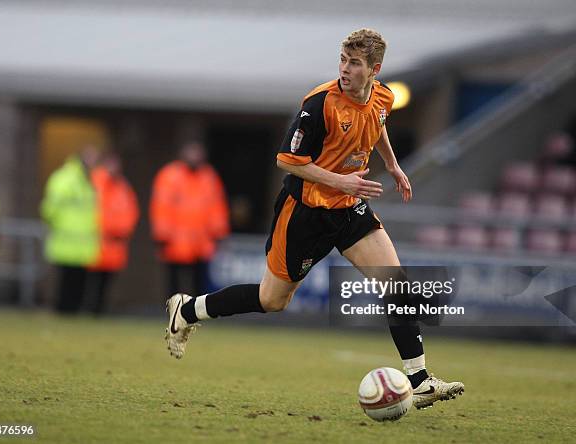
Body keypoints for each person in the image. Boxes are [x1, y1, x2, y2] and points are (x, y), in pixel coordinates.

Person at [164, 29, 464, 409]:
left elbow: (379, 121)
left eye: (354, 63)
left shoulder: (384, 95)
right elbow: (287, 161)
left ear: (375, 69)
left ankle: (418, 380)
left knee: (395, 283)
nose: (345, 69)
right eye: (343, 59)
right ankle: (186, 309)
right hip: (305, 213)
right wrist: (341, 180)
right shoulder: (320, 103)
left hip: (349, 209)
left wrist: (392, 164)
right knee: (271, 300)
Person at [150, 141, 229, 297]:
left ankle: (195, 313)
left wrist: (219, 232)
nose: (194, 157)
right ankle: (173, 312)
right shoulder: (170, 175)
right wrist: (162, 234)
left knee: (199, 283)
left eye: (197, 153)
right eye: (191, 153)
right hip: (175, 240)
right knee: (174, 282)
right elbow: (161, 207)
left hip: (201, 241)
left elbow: (217, 207)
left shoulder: (209, 177)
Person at [41, 146, 100, 313]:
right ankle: (63, 309)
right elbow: (50, 207)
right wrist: (57, 224)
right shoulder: (66, 178)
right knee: (66, 280)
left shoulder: (86, 181)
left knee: (78, 280)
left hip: (81, 242)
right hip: (67, 239)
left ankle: (72, 310)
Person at [88, 152, 139, 314]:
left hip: (115, 243)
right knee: (91, 280)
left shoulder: (123, 187)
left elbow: (131, 211)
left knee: (106, 281)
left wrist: (124, 230)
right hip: (95, 242)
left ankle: (99, 310)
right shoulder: (95, 182)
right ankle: (88, 308)